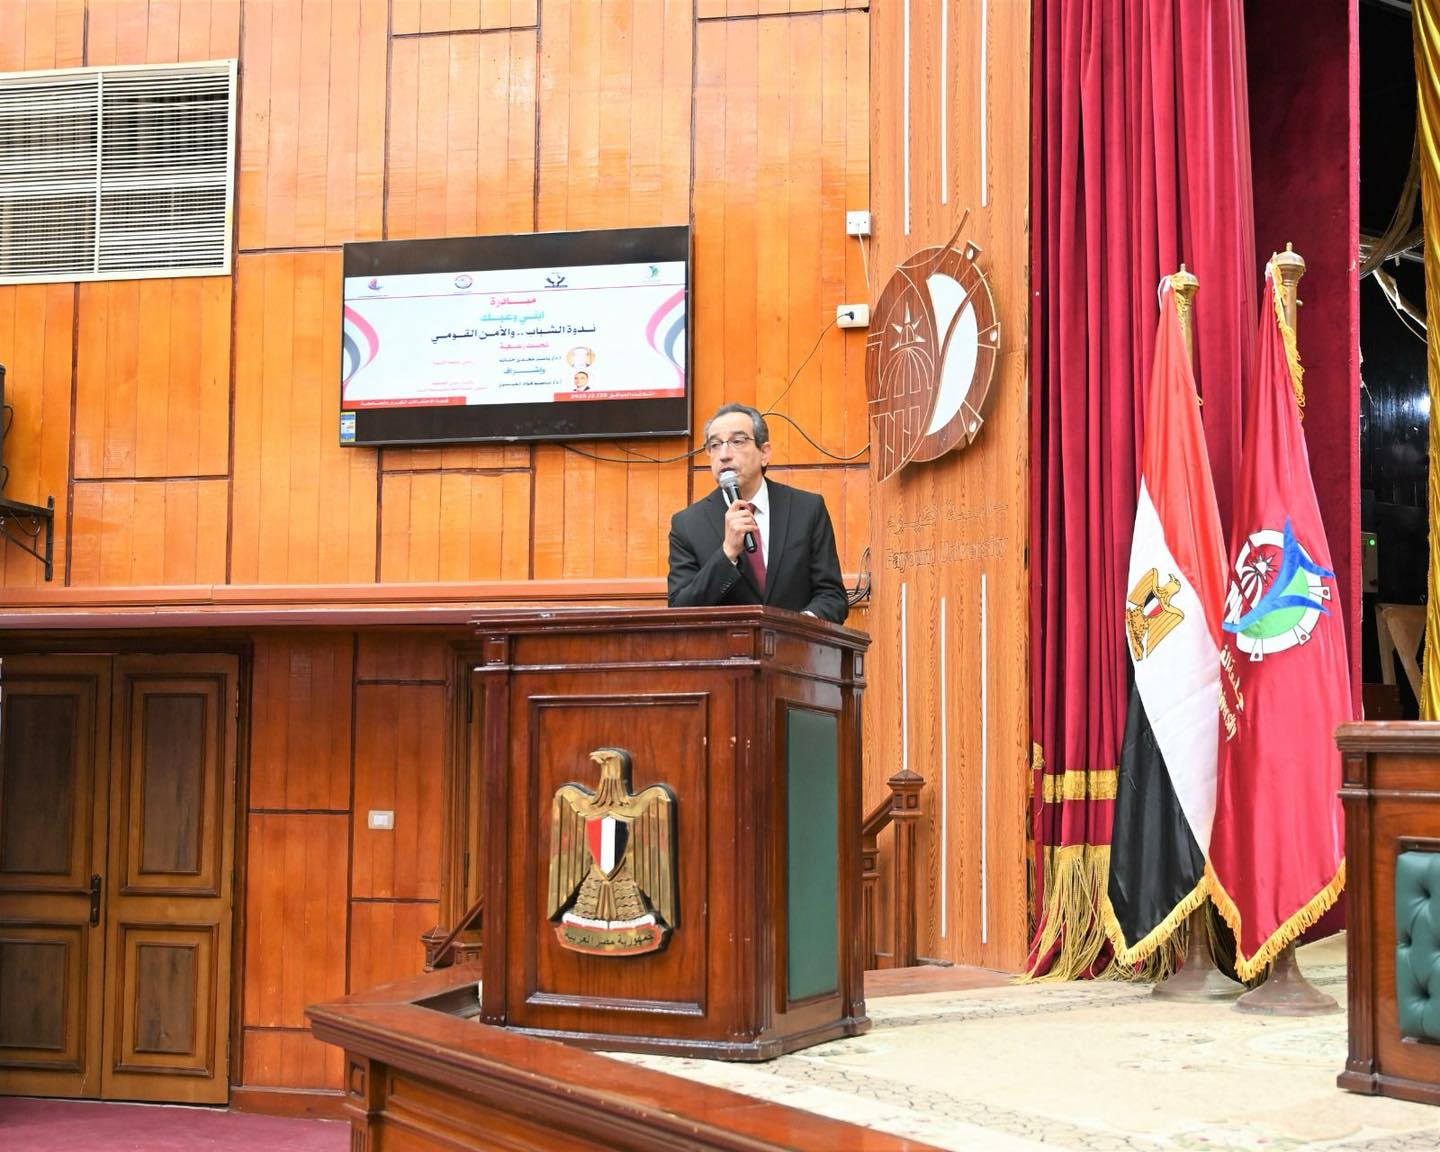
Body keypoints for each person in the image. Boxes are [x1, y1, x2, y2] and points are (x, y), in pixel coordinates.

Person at [668, 404, 848, 623]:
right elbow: (680, 612)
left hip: (796, 643)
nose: (724, 455)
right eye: (715, 445)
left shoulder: (808, 509)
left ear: (764, 453)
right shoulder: (687, 525)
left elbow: (832, 596)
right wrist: (727, 553)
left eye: (737, 441)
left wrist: (799, 627)